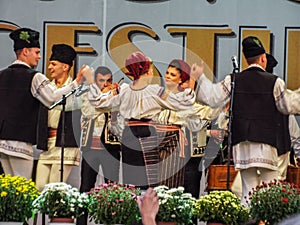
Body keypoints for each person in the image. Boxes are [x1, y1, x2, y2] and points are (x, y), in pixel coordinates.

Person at [190, 35, 300, 205]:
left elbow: (212, 97)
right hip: (266, 144)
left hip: (242, 145)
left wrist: (200, 78)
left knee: (247, 191)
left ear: (246, 59)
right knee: (269, 190)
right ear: (263, 58)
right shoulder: (274, 82)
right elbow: (287, 106)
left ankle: (248, 219)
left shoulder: (233, 80)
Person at [83, 51, 195, 189]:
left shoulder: (123, 90)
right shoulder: (155, 91)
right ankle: (145, 207)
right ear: (147, 71)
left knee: (131, 179)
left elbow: (98, 102)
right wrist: (190, 87)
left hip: (128, 133)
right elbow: (183, 103)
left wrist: (91, 83)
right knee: (148, 179)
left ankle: (134, 205)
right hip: (146, 132)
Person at [0, 27, 86, 179]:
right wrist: (76, 83)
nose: (39, 57)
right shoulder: (34, 77)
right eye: (37, 52)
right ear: (26, 51)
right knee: (24, 188)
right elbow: (52, 98)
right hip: (20, 141)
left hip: (2, 140)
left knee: (10, 188)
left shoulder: (2, 75)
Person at [152, 59, 220, 193]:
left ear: (180, 80)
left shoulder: (187, 100)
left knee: (187, 191)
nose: (167, 76)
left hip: (186, 153)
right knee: (162, 190)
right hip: (160, 150)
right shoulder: (159, 96)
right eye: (167, 73)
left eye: (172, 75)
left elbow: (201, 117)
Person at [76, 66, 121, 225]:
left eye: (108, 80)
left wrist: (109, 98)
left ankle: (109, 222)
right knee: (85, 188)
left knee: (111, 190)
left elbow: (118, 118)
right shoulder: (88, 94)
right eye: (101, 81)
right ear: (95, 81)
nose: (106, 83)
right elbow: (89, 112)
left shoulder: (117, 95)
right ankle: (81, 222)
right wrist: (104, 97)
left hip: (111, 148)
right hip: (90, 148)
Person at [35, 44, 82, 191]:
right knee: (39, 187)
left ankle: (58, 215)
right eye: (50, 63)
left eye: (53, 64)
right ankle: (37, 216)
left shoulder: (76, 89)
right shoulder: (47, 88)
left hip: (64, 144)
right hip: (47, 143)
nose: (49, 67)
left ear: (65, 67)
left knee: (54, 189)